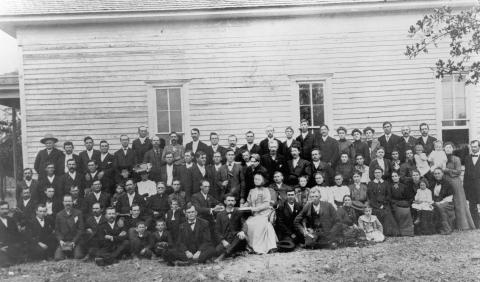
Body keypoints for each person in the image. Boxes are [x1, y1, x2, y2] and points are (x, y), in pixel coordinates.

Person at [242, 172, 278, 254]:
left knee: (259, 224)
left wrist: (255, 209)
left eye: (258, 179)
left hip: (264, 212)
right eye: (255, 179)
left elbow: (266, 204)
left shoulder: (266, 190)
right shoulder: (252, 191)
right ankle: (251, 246)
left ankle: (260, 247)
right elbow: (248, 202)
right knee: (248, 223)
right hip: (255, 214)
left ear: (263, 180)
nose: (256, 181)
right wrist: (244, 205)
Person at [444, 142, 475, 230]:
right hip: (445, 182)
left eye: (450, 147)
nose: (448, 149)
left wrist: (447, 170)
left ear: (453, 149)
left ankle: (462, 225)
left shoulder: (456, 158)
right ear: (443, 149)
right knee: (447, 202)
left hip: (454, 182)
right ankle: (450, 225)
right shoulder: (442, 158)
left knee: (458, 202)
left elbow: (458, 171)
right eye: (446, 147)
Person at [367, 168, 399, 236]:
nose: (377, 174)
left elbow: (388, 195)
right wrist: (377, 206)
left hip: (385, 204)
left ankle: (388, 232)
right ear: (374, 174)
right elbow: (370, 196)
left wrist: (383, 204)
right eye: (376, 172)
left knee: (387, 213)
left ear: (382, 173)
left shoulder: (386, 183)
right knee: (376, 213)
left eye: (379, 172)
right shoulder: (370, 184)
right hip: (374, 205)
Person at [214, 194, 247, 261]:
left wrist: (242, 231)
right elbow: (217, 231)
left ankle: (224, 255)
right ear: (225, 202)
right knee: (217, 250)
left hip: (236, 238)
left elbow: (245, 224)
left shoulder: (238, 212)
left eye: (232, 201)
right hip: (225, 239)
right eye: (228, 200)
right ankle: (234, 253)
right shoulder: (220, 215)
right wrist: (223, 241)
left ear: (235, 202)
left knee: (240, 238)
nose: (230, 202)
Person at [54, 194, 85, 260]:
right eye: (66, 201)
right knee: (58, 258)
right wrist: (60, 240)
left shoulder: (78, 213)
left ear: (72, 202)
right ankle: (66, 252)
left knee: (78, 257)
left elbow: (81, 229)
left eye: (69, 201)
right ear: (63, 202)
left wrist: (74, 241)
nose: (67, 203)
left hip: (75, 241)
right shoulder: (59, 215)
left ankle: (72, 252)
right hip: (64, 241)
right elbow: (57, 230)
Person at [389, 171, 414, 236]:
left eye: (396, 176)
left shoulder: (404, 186)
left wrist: (405, 202)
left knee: (406, 211)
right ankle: (400, 231)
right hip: (394, 203)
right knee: (398, 211)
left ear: (399, 177)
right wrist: (395, 202)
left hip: (404, 203)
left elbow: (408, 197)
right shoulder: (389, 186)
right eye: (393, 176)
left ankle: (408, 232)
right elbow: (389, 197)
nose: (394, 178)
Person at [431, 168, 455, 235]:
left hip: (447, 202)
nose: (437, 175)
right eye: (435, 174)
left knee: (440, 207)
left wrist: (440, 203)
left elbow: (450, 197)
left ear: (442, 174)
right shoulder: (433, 183)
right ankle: (435, 229)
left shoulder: (447, 183)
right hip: (435, 202)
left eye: (439, 173)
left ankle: (447, 228)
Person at [0, 201, 24, 267]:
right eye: (2, 209)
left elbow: (17, 235)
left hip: (11, 246)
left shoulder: (11, 220)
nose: (5, 211)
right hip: (1, 247)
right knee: (4, 262)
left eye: (6, 209)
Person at [463, 139, 480, 228]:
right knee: (472, 206)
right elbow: (466, 174)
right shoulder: (467, 158)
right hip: (471, 186)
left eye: (475, 147)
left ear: (479, 147)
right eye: (472, 147)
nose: (473, 148)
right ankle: (475, 225)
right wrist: (465, 187)